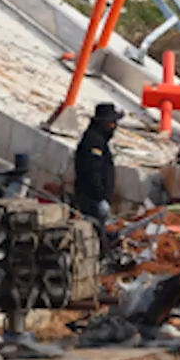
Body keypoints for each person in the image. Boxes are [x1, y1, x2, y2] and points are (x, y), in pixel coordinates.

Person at [74, 103, 120, 250]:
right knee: (96, 235)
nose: (114, 126)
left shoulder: (98, 140)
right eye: (111, 123)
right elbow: (91, 172)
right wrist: (99, 196)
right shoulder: (93, 141)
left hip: (96, 199)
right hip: (92, 200)